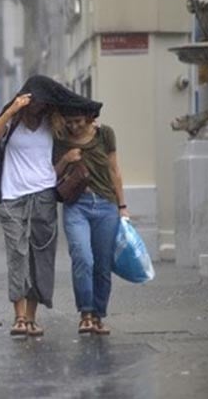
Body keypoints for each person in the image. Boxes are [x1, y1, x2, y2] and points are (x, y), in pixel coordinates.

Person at [0, 75, 102, 337]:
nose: (37, 108)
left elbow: (83, 111)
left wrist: (70, 157)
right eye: (34, 103)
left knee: (41, 256)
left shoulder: (52, 123)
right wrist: (12, 109)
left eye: (43, 104)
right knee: (17, 254)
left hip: (44, 196)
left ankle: (31, 317)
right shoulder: (12, 120)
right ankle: (19, 316)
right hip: (12, 196)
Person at [53, 110, 128, 336]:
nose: (74, 127)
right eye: (70, 123)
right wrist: (66, 159)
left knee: (103, 265)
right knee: (82, 257)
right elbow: (50, 175)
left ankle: (98, 315)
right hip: (77, 205)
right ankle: (85, 313)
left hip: (106, 205)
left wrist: (122, 206)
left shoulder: (105, 135)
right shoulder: (60, 139)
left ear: (89, 119)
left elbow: (115, 170)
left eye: (78, 122)